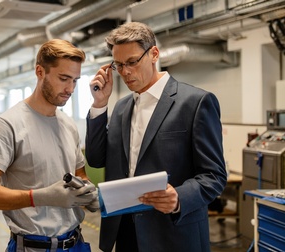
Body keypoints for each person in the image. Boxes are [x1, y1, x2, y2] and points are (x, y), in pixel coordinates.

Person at [85, 22, 227, 252]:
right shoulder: (121, 108)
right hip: (125, 231)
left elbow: (214, 175)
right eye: (118, 65)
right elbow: (96, 158)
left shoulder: (195, 103)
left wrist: (179, 198)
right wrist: (100, 105)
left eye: (132, 62)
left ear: (154, 54)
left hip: (172, 232)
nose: (125, 72)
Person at [0, 39, 98, 252]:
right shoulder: (8, 125)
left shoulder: (68, 124)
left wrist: (88, 194)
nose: (70, 88)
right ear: (40, 71)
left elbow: (79, 176)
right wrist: (38, 197)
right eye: (64, 78)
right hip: (33, 247)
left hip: (76, 243)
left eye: (75, 80)